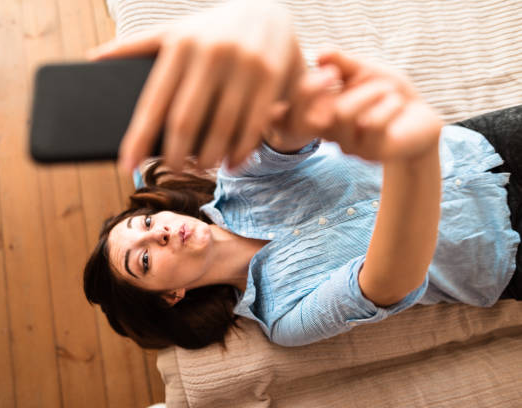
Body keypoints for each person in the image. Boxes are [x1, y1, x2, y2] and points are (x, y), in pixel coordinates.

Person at [82, 0, 521, 349]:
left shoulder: (239, 183)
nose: (156, 233)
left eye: (144, 223)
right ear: (170, 296)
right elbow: (389, 281)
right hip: (504, 252)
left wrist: (275, 63)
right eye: (143, 260)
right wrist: (412, 158)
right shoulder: (282, 317)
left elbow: (287, 130)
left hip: (483, 144)